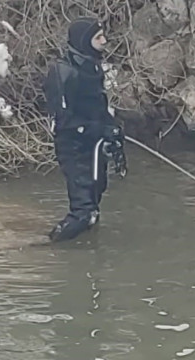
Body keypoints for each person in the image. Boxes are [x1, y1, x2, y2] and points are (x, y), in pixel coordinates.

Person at [43, 17, 126, 242]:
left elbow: (98, 108)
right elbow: (64, 121)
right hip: (73, 146)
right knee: (82, 212)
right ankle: (45, 247)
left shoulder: (92, 67)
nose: (104, 41)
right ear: (84, 41)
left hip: (94, 145)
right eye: (98, 37)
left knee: (95, 204)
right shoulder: (63, 72)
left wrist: (113, 130)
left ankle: (88, 251)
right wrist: (98, 130)